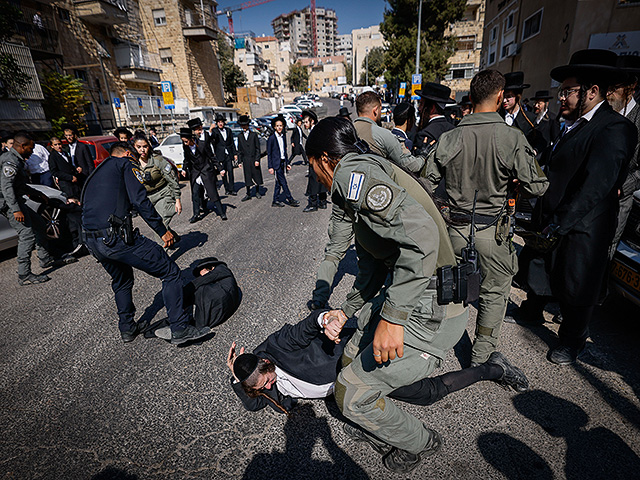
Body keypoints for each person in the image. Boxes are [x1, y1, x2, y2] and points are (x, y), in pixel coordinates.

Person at [305, 117, 470, 473]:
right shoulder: (356, 181)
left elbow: (421, 238)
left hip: (430, 311)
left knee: (349, 393)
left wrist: (393, 321)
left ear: (323, 159)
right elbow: (373, 269)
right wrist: (346, 311)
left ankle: (421, 442)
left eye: (312, 168)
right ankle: (376, 415)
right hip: (413, 293)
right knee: (350, 357)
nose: (314, 177)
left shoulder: (353, 175)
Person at [424, 70, 549, 367]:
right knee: (494, 293)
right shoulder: (511, 138)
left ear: (472, 96)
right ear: (498, 96)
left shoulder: (450, 137)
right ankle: (481, 356)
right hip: (492, 231)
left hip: (453, 228)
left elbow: (424, 180)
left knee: (447, 287)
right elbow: (538, 186)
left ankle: (433, 349)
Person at [534, 49, 637, 365]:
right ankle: (538, 312)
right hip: (560, 217)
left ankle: (572, 340)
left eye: (568, 91)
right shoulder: (574, 123)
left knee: (579, 285)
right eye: (561, 91)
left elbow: (597, 184)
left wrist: (561, 223)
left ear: (592, 92)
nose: (562, 97)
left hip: (585, 225)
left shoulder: (614, 127)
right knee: (553, 274)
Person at [227, 310, 527, 415]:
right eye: (263, 387)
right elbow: (255, 403)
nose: (270, 386)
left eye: (268, 379)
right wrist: (236, 379)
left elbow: (306, 326)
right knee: (427, 395)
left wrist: (326, 320)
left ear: (266, 362)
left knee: (427, 391)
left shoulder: (276, 348)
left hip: (360, 362)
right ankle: (493, 367)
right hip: (354, 387)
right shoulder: (257, 383)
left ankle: (493, 367)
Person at [81, 142, 211, 345]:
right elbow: (140, 200)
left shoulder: (98, 171)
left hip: (92, 241)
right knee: (170, 272)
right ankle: (180, 327)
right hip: (116, 238)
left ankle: (127, 328)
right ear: (127, 154)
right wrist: (163, 230)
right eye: (134, 156)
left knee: (122, 281)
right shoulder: (125, 164)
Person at [1, 132, 60, 285]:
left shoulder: (16, 159)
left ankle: (45, 259)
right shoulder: (10, 162)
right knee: (26, 234)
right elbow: (7, 188)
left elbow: (20, 185)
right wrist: (15, 209)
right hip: (9, 203)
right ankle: (24, 274)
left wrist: (38, 194)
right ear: (22, 146)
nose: (32, 151)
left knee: (39, 224)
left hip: (15, 200)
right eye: (30, 148)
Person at [153, 257, 241, 339]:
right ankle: (179, 322)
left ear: (211, 267)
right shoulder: (225, 276)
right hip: (220, 314)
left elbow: (196, 283)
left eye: (202, 272)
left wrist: (176, 297)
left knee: (198, 290)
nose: (201, 276)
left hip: (213, 313)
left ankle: (184, 327)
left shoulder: (219, 269)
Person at [608, 55, 640, 258]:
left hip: (619, 202)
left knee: (605, 252)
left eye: (615, 87)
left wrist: (622, 187)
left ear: (631, 87)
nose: (609, 92)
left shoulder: (639, 118)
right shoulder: (604, 113)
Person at [353, 91, 425, 174]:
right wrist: (423, 157)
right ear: (375, 110)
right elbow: (410, 165)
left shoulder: (346, 131)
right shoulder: (383, 134)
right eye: (380, 109)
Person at [131, 133, 182, 243]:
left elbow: (172, 180)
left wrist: (177, 199)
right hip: (147, 198)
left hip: (163, 194)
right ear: (134, 147)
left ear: (149, 146)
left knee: (161, 224)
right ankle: (173, 236)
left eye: (145, 146)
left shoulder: (157, 160)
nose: (142, 150)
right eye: (139, 147)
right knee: (155, 225)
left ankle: (162, 256)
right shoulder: (132, 164)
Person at [180, 128, 227, 222]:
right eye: (183, 142)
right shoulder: (185, 147)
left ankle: (222, 213)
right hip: (195, 173)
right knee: (195, 194)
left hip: (206, 171)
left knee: (212, 192)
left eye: (186, 141)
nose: (184, 143)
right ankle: (196, 214)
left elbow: (211, 157)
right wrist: (184, 169)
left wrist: (220, 168)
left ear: (191, 139)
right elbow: (186, 159)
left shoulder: (202, 144)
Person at [499, 72, 544, 153]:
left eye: (509, 96)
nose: (505, 101)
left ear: (518, 97)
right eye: (503, 97)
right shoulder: (497, 116)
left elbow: (540, 142)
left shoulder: (530, 119)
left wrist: (533, 152)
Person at [413, 83, 456, 155]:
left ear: (432, 109)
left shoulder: (425, 134)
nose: (419, 109)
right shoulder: (454, 130)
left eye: (421, 104)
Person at [267, 115, 299, 208]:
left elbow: (284, 151)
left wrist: (287, 163)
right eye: (277, 126)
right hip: (276, 164)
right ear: (274, 127)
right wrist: (270, 167)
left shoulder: (283, 137)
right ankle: (290, 199)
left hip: (282, 163)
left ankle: (275, 200)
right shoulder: (271, 138)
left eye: (281, 125)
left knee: (278, 183)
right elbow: (269, 154)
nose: (279, 127)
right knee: (283, 182)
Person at [301, 110, 327, 213]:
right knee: (320, 180)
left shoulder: (315, 131)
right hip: (318, 161)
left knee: (313, 182)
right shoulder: (316, 130)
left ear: (312, 121)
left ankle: (313, 204)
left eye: (306, 122)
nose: (305, 124)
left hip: (315, 161)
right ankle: (322, 202)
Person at [236, 115, 263, 201]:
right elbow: (239, 150)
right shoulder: (239, 136)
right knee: (247, 176)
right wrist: (239, 161)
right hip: (246, 159)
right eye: (242, 125)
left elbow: (258, 148)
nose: (244, 127)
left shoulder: (254, 135)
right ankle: (248, 193)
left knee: (256, 175)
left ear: (248, 125)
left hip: (253, 158)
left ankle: (257, 191)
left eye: (245, 125)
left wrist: (257, 159)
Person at [210, 114, 238, 196]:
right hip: (220, 155)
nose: (220, 123)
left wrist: (235, 153)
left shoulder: (228, 130)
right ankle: (227, 189)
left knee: (230, 172)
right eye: (218, 122)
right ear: (217, 123)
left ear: (224, 122)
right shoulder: (215, 131)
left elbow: (232, 143)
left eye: (221, 122)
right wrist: (211, 130)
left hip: (228, 154)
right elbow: (212, 139)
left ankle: (232, 189)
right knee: (223, 173)